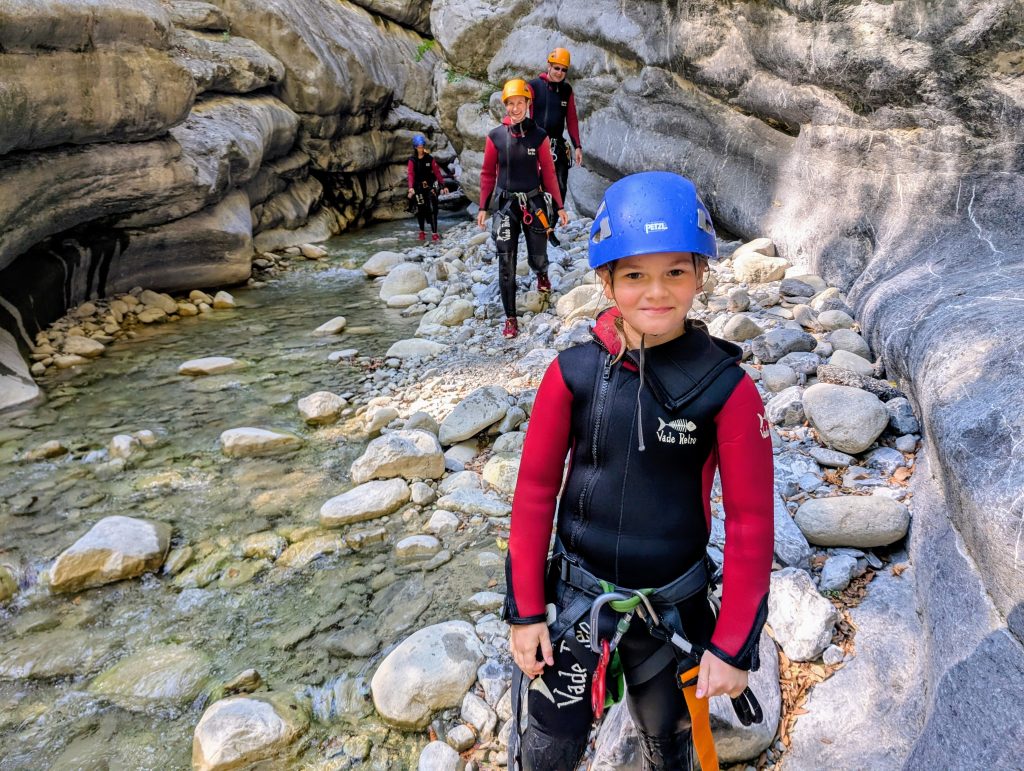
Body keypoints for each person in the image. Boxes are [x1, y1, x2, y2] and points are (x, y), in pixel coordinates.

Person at [502, 171, 775, 770]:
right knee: (548, 747)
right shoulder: (571, 375)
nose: (656, 291)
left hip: (672, 612)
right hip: (575, 605)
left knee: (670, 748)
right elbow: (534, 496)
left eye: (676, 271)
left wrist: (732, 646)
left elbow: (753, 525)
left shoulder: (728, 392)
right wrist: (525, 613)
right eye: (634, 275)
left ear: (701, 274)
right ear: (606, 280)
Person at [477, 78, 570, 339]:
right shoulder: (495, 137)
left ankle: (542, 274)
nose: (515, 108)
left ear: (529, 104)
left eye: (520, 103)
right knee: (505, 263)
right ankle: (510, 318)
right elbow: (487, 174)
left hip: (533, 201)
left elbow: (549, 174)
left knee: (537, 255)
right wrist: (483, 207)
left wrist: (559, 206)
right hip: (506, 205)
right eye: (511, 104)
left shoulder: (538, 136)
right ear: (505, 106)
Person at [528, 47, 583, 205]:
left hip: (557, 147)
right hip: (535, 145)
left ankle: (550, 227)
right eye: (556, 68)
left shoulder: (566, 90)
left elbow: (571, 118)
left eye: (563, 69)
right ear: (549, 66)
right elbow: (518, 110)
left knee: (560, 189)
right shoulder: (534, 86)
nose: (559, 72)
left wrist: (577, 146)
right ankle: (538, 228)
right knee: (535, 189)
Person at [407, 134, 448, 241]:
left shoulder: (430, 159)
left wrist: (442, 184)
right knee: (421, 210)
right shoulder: (412, 160)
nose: (421, 149)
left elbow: (437, 172)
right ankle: (422, 232)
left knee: (433, 209)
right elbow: (410, 174)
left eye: (422, 146)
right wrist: (411, 187)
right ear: (415, 147)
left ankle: (434, 233)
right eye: (419, 147)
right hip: (418, 187)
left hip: (430, 186)